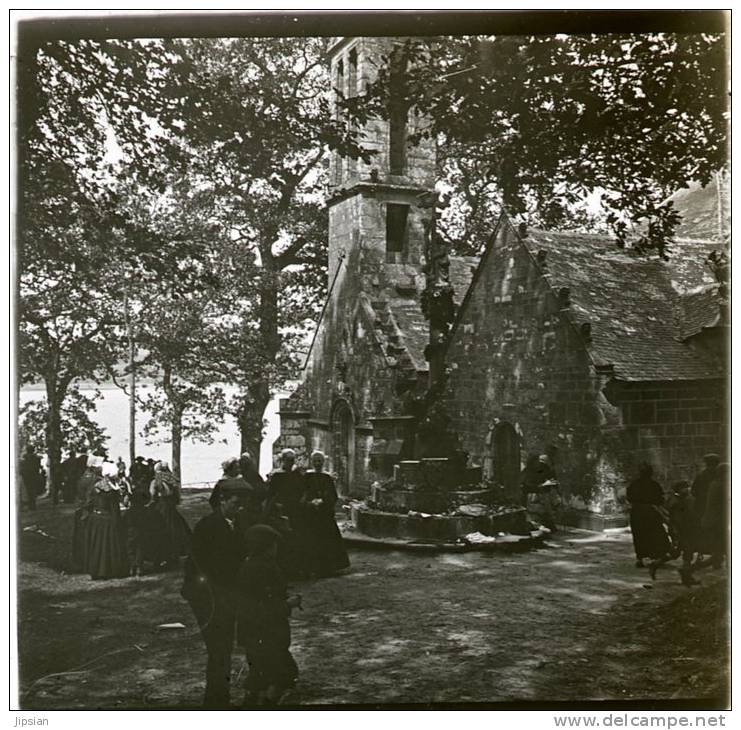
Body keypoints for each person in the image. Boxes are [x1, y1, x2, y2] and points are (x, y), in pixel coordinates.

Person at [181, 482, 250, 708]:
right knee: (218, 647)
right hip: (206, 595)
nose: (240, 509)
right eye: (235, 504)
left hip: (225, 593)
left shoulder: (237, 524)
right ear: (222, 501)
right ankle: (216, 702)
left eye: (243, 505)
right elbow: (200, 565)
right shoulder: (208, 526)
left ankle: (220, 697)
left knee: (223, 647)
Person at [236, 525, 300, 706]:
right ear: (266, 546)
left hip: (252, 632)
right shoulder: (264, 568)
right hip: (267, 631)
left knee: (258, 672)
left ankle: (251, 704)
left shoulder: (248, 565)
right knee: (284, 674)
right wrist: (288, 603)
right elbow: (264, 607)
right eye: (274, 544)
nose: (276, 548)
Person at [300, 451, 350, 577]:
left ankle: (327, 567)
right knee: (311, 539)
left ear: (323, 462)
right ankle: (311, 567)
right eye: (315, 461)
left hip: (323, 514)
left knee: (326, 539)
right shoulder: (307, 476)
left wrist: (323, 501)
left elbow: (332, 495)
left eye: (320, 461)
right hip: (310, 513)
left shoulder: (327, 477)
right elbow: (303, 492)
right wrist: (309, 502)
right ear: (312, 462)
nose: (317, 463)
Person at [84, 461, 129, 579]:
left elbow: (89, 503)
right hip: (109, 519)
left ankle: (96, 570)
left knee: (97, 546)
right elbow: (115, 508)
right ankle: (110, 570)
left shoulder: (97, 486)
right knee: (109, 546)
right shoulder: (113, 490)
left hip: (96, 519)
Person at [265, 449, 306, 577]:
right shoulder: (277, 475)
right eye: (288, 460)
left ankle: (296, 568)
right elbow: (271, 494)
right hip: (281, 510)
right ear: (283, 460)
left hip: (296, 509)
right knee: (282, 538)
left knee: (296, 537)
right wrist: (276, 504)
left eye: (292, 460)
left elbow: (304, 489)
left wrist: (303, 498)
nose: (290, 463)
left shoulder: (296, 474)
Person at [626, 464, 672, 569]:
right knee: (655, 534)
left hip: (637, 512)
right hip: (651, 512)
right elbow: (660, 499)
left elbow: (630, 498)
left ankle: (640, 558)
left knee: (639, 535)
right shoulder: (654, 485)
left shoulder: (634, 484)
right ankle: (656, 555)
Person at [149, 461, 191, 564]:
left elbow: (153, 495)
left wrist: (151, 503)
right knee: (176, 528)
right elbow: (177, 496)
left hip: (161, 505)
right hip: (170, 506)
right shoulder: (171, 479)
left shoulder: (157, 480)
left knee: (162, 528)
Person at [71, 455, 103, 571]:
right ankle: (89, 562)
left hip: (80, 509)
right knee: (88, 538)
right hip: (87, 511)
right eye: (99, 466)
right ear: (93, 467)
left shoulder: (83, 477)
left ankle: (80, 562)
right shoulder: (94, 479)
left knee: (81, 538)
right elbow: (90, 498)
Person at [19, 444, 44, 511]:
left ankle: (30, 504)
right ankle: (33, 505)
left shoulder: (24, 458)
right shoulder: (36, 458)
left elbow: (22, 467)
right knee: (33, 490)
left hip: (26, 476)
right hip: (34, 475)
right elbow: (38, 467)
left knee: (28, 490)